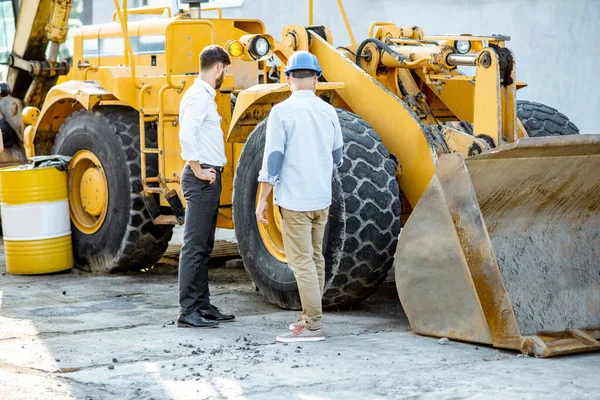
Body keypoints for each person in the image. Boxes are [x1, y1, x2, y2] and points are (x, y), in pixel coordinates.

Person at [255, 51, 344, 343]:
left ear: (288, 78)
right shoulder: (328, 111)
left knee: (302, 262)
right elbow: (337, 157)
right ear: (317, 78)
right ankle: (310, 317)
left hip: (294, 200)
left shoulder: (282, 112)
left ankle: (313, 326)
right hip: (321, 198)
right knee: (315, 259)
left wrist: (262, 199)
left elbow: (273, 159)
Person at [177, 45, 235, 328]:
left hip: (208, 177)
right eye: (226, 70)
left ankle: (202, 304)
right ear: (219, 68)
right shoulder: (199, 97)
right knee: (194, 246)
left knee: (204, 246)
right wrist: (198, 168)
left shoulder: (203, 96)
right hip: (201, 179)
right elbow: (187, 132)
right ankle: (188, 310)